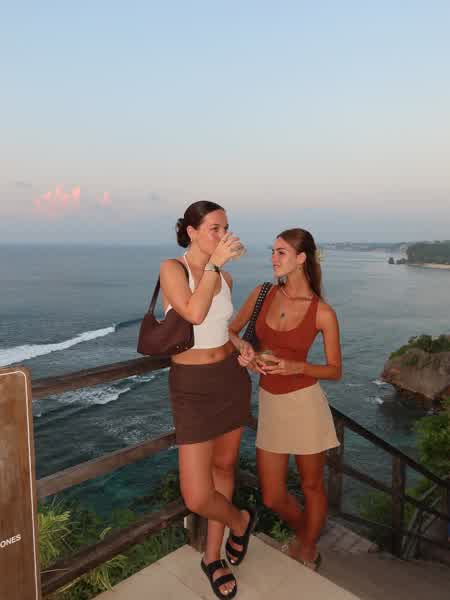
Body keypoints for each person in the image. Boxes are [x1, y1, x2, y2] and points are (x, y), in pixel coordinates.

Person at [159, 201, 257, 599]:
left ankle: (212, 557)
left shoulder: (226, 277)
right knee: (197, 495)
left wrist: (240, 345)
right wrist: (214, 265)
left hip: (230, 379)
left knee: (224, 467)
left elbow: (217, 328)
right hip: (192, 386)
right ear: (192, 231)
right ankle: (241, 521)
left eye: (225, 227)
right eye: (215, 227)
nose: (223, 235)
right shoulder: (173, 269)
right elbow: (193, 314)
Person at [229, 228, 342, 570]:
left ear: (301, 258)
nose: (273, 258)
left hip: (306, 405)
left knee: (312, 486)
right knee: (272, 494)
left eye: (281, 252)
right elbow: (231, 331)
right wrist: (246, 350)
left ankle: (306, 548)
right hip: (271, 404)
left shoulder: (322, 312)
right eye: (273, 251)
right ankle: (307, 534)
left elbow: (335, 370)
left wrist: (298, 366)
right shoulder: (262, 293)